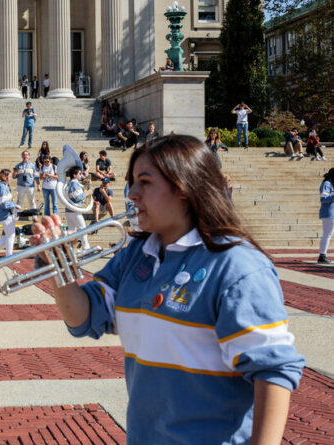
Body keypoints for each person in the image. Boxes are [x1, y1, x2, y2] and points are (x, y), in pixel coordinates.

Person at [28, 135, 305, 444]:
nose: (131, 194)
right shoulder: (135, 254)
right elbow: (84, 320)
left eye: (144, 182)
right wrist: (59, 266)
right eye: (133, 182)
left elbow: (273, 371)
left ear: (184, 188)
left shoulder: (236, 265)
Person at [0, 169, 21, 259]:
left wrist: (11, 201)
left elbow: (3, 201)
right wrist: (15, 205)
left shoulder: (2, 186)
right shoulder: (2, 187)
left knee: (8, 235)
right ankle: (9, 257)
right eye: (10, 176)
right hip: (4, 214)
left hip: (3, 213)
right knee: (11, 235)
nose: (11, 178)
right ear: (5, 177)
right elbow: (3, 203)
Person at [64, 166, 90, 249]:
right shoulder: (74, 184)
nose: (81, 175)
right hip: (74, 211)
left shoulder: (71, 183)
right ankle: (86, 248)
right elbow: (77, 198)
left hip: (70, 211)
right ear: (74, 175)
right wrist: (87, 193)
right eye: (79, 173)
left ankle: (70, 249)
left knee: (71, 232)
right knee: (83, 230)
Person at [319, 168, 334, 264]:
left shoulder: (331, 185)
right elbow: (323, 198)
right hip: (329, 213)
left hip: (332, 213)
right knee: (327, 234)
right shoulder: (326, 184)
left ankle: (322, 255)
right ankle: (322, 255)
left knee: (328, 234)